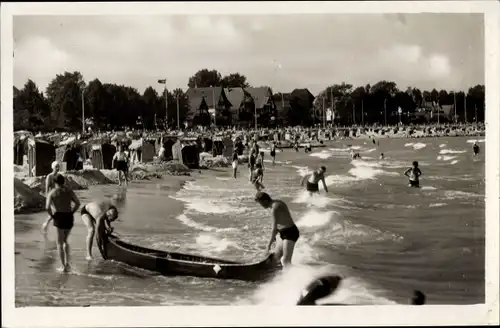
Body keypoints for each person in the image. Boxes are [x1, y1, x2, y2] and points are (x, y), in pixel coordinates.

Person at [45, 175, 81, 272]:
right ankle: (67, 263)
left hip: (59, 217)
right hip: (69, 217)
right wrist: (72, 212)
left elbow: (47, 207)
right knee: (65, 241)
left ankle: (63, 266)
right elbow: (78, 203)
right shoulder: (69, 191)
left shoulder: (52, 193)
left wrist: (52, 216)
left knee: (59, 243)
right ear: (63, 181)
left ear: (54, 182)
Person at [254, 192, 299, 268]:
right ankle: (278, 274)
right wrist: (277, 234)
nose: (261, 206)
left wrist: (268, 245)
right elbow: (281, 222)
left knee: (285, 261)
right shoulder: (276, 203)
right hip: (283, 232)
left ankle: (296, 277)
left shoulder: (275, 207)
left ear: (265, 201)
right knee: (276, 258)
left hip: (290, 233)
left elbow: (274, 227)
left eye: (261, 203)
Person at [41, 161, 62, 235]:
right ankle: (49, 225)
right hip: (51, 197)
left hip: (58, 197)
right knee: (56, 212)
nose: (57, 168)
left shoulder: (59, 176)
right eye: (56, 166)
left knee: (56, 212)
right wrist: (48, 199)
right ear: (52, 167)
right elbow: (46, 189)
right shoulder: (49, 176)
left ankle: (46, 224)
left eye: (58, 166)